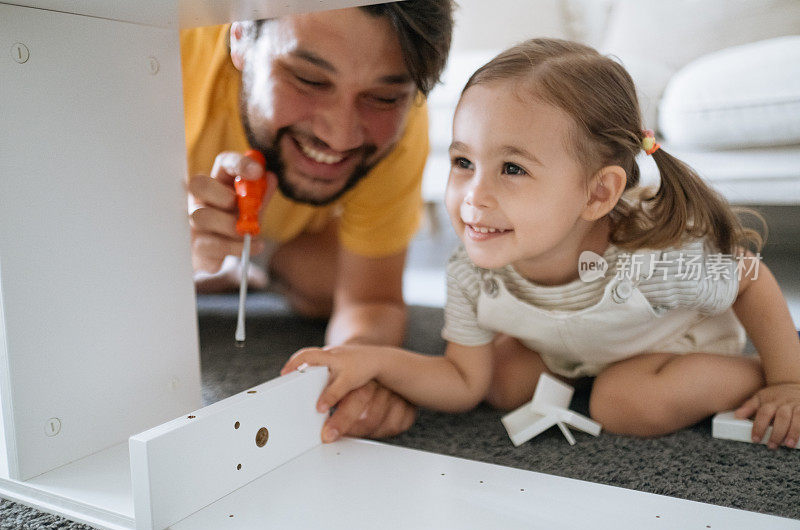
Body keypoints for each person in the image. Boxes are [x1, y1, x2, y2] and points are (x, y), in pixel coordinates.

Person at [282, 38, 800, 449]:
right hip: (575, 347)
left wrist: (787, 381)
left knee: (623, 405)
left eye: (512, 169)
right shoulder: (472, 272)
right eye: (463, 162)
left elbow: (749, 278)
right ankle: (573, 363)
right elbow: (462, 382)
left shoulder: (651, 261)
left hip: (666, 351)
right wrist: (371, 359)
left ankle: (746, 377)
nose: (473, 196)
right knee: (498, 383)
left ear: (597, 193)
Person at [181, 2, 454, 442]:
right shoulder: (159, 58)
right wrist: (155, 248)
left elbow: (372, 301)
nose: (340, 135)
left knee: (331, 279)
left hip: (283, 241)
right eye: (308, 79)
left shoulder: (406, 126)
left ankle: (246, 261)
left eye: (384, 98)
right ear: (239, 39)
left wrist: (358, 363)